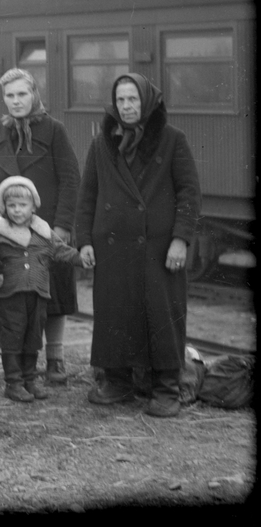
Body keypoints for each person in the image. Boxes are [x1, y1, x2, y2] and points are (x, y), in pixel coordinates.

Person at [76, 74, 200, 418]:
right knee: (114, 313)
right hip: (113, 248)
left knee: (163, 316)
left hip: (159, 249)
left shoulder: (173, 140)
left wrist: (180, 239)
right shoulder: (102, 143)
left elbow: (189, 193)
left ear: (147, 102)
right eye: (120, 100)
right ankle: (118, 382)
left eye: (133, 99)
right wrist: (83, 241)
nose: (126, 106)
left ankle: (166, 389)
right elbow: (87, 195)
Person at [0, 68, 82, 385]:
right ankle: (20, 363)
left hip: (46, 227)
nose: (16, 101)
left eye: (22, 94)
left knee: (54, 294)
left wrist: (62, 226)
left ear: (34, 94)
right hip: (9, 231)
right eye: (10, 95)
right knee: (16, 296)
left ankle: (55, 359)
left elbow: (70, 178)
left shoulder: (54, 130)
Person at [0, 176, 82, 403]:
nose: (17, 210)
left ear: (33, 206)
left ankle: (29, 380)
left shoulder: (43, 232)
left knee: (33, 337)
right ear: (4, 207)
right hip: (10, 295)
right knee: (12, 337)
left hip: (38, 295)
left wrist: (82, 258)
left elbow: (61, 250)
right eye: (11, 205)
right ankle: (13, 382)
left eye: (22, 205)